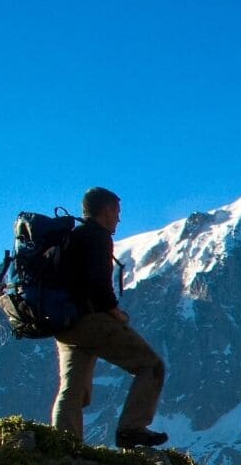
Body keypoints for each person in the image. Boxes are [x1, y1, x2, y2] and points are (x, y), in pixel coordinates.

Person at [53, 186, 168, 448]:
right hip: (91, 321)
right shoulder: (98, 237)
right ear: (106, 211)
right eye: (117, 212)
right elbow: (98, 284)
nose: (119, 218)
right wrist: (115, 312)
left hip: (64, 324)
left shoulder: (70, 237)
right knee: (151, 365)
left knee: (72, 388)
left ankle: (63, 447)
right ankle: (132, 428)